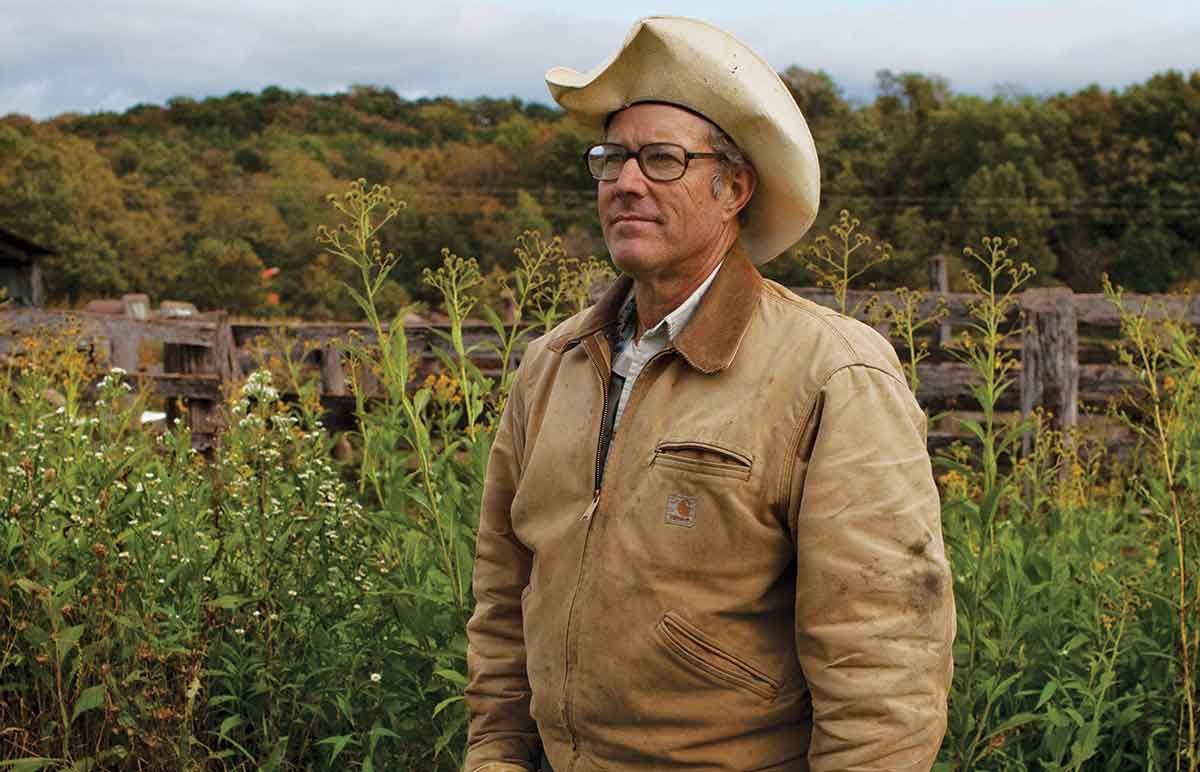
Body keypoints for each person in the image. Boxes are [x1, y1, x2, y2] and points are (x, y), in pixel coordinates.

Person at [464, 16, 955, 772]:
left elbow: (882, 663)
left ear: (734, 189)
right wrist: (496, 757)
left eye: (662, 160)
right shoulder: (552, 365)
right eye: (611, 159)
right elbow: (504, 601)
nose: (627, 183)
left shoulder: (833, 374)